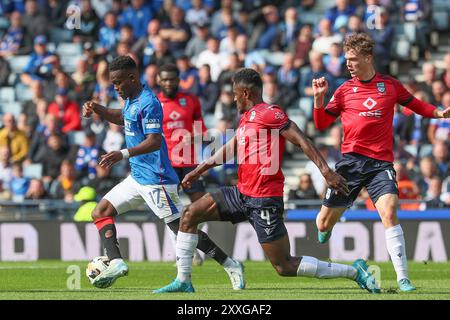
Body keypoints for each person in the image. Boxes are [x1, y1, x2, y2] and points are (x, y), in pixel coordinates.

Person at [154, 68, 380, 294]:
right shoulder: (246, 118)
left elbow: (302, 140)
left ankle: (355, 272)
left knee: (285, 266)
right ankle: (184, 280)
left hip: (264, 199)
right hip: (241, 193)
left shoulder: (270, 113)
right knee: (189, 214)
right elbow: (231, 148)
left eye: (235, 93)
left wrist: (326, 171)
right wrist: (199, 170)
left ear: (245, 93)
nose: (232, 98)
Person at [81, 56, 244, 290]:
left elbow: (155, 141)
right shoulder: (131, 99)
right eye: (112, 83)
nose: (115, 87)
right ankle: (116, 262)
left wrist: (123, 153)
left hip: (156, 181)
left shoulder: (149, 102)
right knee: (101, 211)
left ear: (132, 78)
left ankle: (230, 264)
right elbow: (122, 117)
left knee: (183, 228)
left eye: (117, 82)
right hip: (138, 177)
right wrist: (98, 108)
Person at [312, 33, 450, 292]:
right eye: (346, 59)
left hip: (380, 164)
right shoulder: (343, 90)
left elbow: (416, 104)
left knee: (389, 212)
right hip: (350, 164)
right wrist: (319, 98)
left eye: (353, 59)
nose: (349, 64)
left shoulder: (390, 85)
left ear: (368, 57)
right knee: (322, 223)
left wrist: (439, 113)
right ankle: (326, 226)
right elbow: (320, 124)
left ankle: (403, 278)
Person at [157, 63, 207, 265]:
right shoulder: (153, 102)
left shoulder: (191, 100)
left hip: (188, 162)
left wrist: (193, 139)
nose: (169, 83)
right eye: (165, 79)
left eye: (172, 79)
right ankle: (182, 252)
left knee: (202, 206)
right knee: (169, 210)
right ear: (159, 81)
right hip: (166, 164)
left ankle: (191, 241)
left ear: (179, 80)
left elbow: (202, 131)